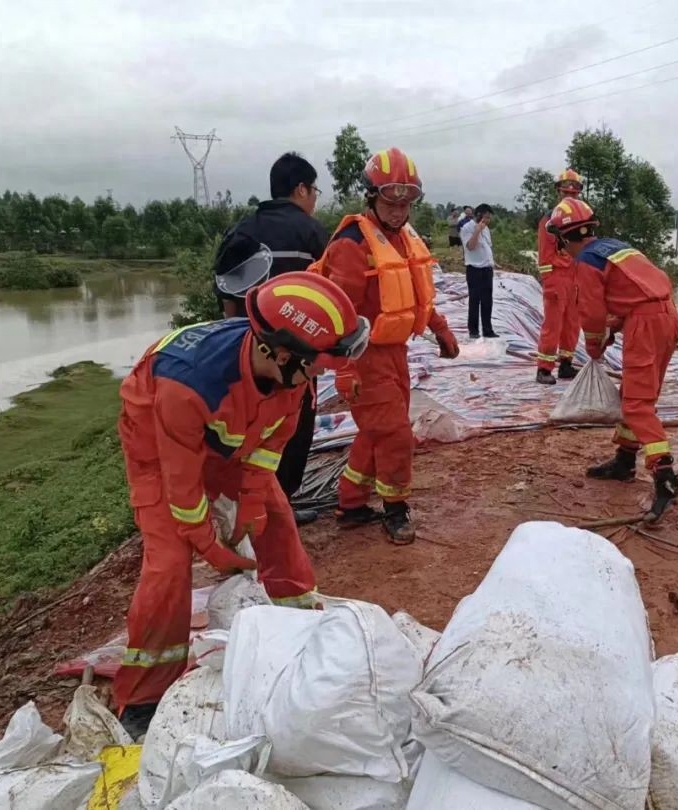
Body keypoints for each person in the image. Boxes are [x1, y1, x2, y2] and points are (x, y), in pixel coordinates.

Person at [113, 271, 369, 739]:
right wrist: (211, 548)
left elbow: (269, 447)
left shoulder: (292, 377)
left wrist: (251, 500)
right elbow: (182, 485)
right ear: (283, 353)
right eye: (320, 363)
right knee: (169, 565)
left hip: (226, 438)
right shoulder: (187, 384)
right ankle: (143, 698)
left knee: (276, 520)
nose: (323, 374)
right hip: (158, 441)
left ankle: (299, 626)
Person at [312, 147, 460, 543]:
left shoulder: (404, 238)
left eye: (407, 202)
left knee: (375, 431)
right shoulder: (351, 244)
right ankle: (395, 509)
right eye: (390, 201)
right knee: (395, 433)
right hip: (362, 355)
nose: (398, 210)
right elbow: (338, 311)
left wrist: (441, 329)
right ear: (372, 196)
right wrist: (345, 368)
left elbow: (414, 293)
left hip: (395, 352)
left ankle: (352, 501)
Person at [546, 198, 678, 522]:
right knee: (636, 395)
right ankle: (624, 459)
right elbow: (637, 293)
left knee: (637, 405)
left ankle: (665, 476)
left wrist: (594, 348)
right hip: (666, 316)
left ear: (564, 239)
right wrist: (618, 327)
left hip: (646, 324)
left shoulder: (586, 262)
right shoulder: (614, 248)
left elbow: (592, 315)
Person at [212, 152, 330, 525]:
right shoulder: (313, 234)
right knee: (293, 430)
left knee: (249, 429)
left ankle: (244, 507)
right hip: (298, 358)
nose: (314, 199)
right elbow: (330, 298)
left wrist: (236, 346)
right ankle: (280, 507)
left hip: (248, 355)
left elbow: (227, 298)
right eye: (315, 190)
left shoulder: (242, 230)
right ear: (301, 189)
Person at [534, 169, 583, 385]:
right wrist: (550, 281)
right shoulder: (550, 219)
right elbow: (545, 254)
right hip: (557, 276)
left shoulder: (581, 218)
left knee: (573, 323)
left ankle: (565, 364)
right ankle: (544, 369)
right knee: (553, 324)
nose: (570, 196)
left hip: (575, 276)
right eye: (566, 193)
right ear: (559, 193)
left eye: (573, 194)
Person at [460, 203, 500, 338]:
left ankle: (487, 330)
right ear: (478, 216)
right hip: (474, 269)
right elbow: (470, 247)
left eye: (489, 218)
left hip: (487, 269)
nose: (488, 220)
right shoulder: (466, 228)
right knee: (474, 300)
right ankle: (474, 331)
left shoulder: (487, 229)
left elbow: (487, 247)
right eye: (486, 217)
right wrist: (477, 230)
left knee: (487, 300)